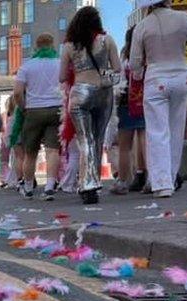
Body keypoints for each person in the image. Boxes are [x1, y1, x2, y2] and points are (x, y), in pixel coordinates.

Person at [130, 1, 187, 198]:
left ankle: (161, 183)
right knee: (176, 129)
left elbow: (135, 63)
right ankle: (170, 175)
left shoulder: (142, 26)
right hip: (181, 77)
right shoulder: (184, 18)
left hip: (155, 78)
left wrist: (137, 74)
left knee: (157, 131)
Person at [60, 6, 121, 205]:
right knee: (98, 138)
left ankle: (88, 184)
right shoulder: (108, 40)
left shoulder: (69, 46)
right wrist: (101, 77)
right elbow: (118, 70)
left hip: (79, 94)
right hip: (103, 93)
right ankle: (92, 183)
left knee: (85, 140)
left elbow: (61, 76)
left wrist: (77, 71)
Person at [14, 33, 63, 200]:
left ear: (36, 46)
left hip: (33, 110)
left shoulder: (27, 66)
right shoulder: (59, 64)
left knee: (30, 152)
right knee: (52, 150)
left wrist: (24, 108)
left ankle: (28, 187)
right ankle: (49, 186)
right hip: (56, 109)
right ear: (52, 45)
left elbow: (17, 93)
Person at [115, 26, 147, 194]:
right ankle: (150, 178)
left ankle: (122, 182)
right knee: (145, 140)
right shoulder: (145, 58)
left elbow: (116, 80)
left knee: (124, 147)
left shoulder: (123, 60)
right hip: (144, 101)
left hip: (125, 103)